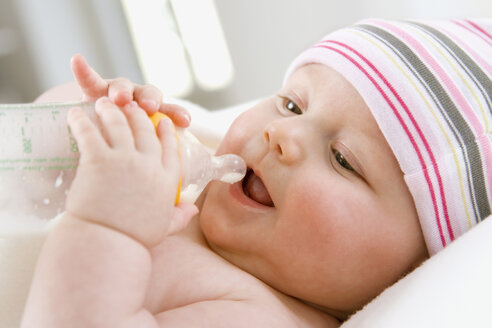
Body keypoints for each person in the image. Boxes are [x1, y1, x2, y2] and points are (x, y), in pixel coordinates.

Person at [21, 18, 492, 327]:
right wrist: (95, 118)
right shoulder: (197, 168)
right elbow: (32, 170)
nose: (282, 136)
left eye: (344, 159)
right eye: (292, 105)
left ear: (413, 269)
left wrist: (108, 224)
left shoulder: (262, 315)